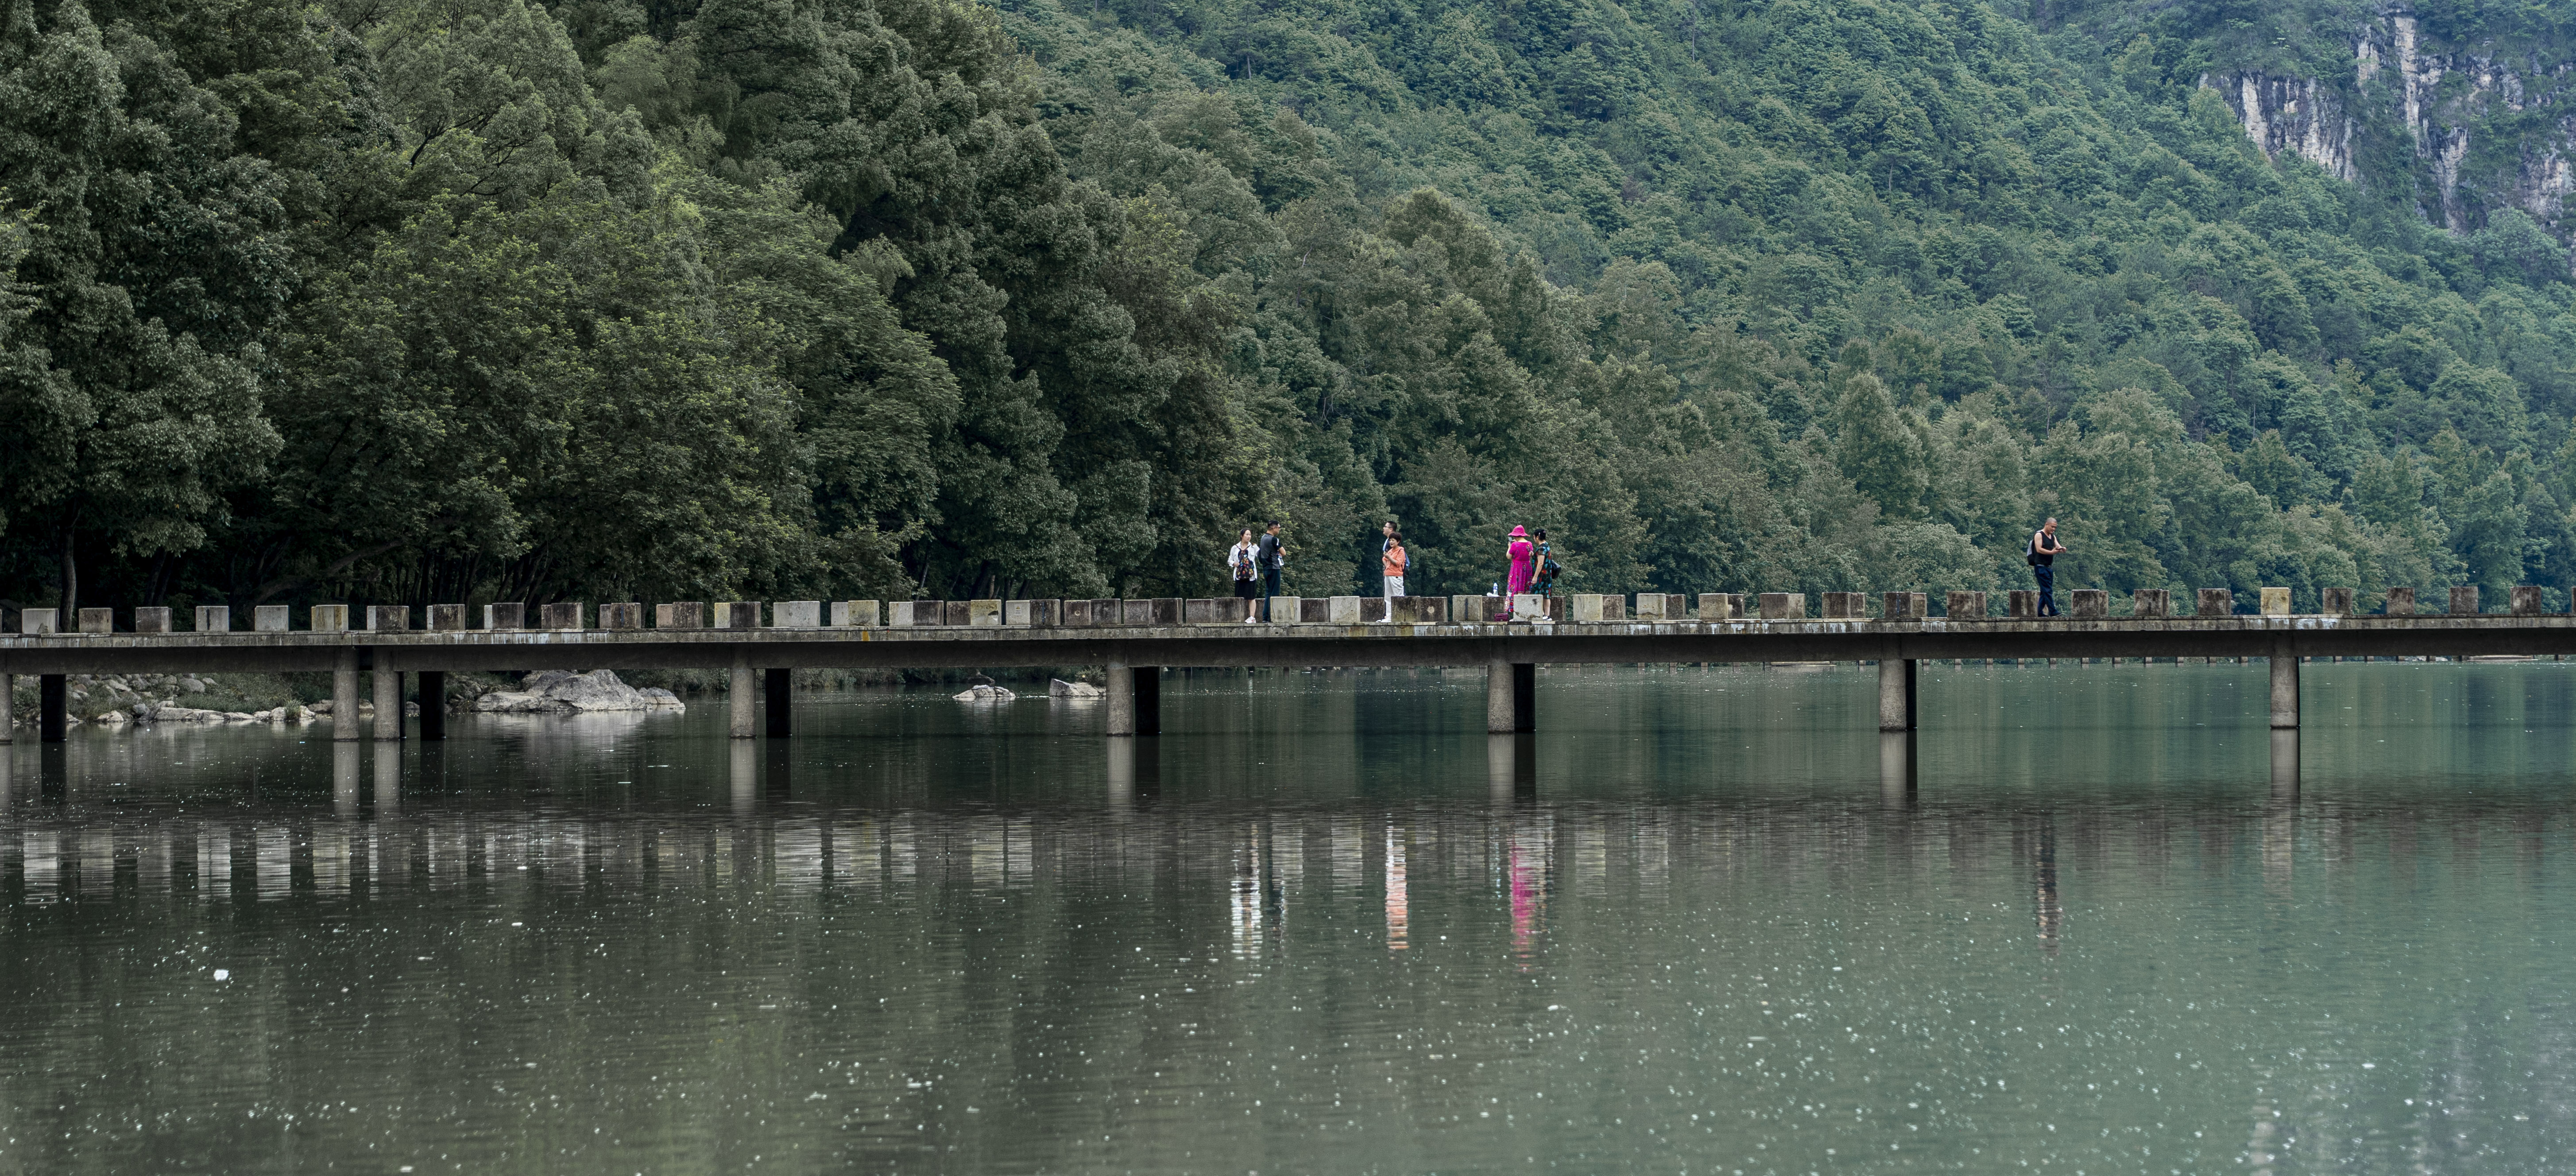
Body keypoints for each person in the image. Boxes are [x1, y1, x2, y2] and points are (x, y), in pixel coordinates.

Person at [2028, 517, 2068, 617]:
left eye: (2055, 528)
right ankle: (2053, 611)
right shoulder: (2039, 535)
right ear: (2047, 524)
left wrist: (2062, 549)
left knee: (2044, 590)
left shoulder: (2052, 536)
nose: (2054, 529)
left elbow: (2057, 546)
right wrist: (2051, 553)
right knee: (2048, 590)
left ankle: (2039, 612)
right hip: (2040, 567)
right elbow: (2039, 549)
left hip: (2049, 567)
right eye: (2052, 527)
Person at [1229, 528, 1262, 622]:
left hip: (1250, 575)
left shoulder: (1254, 547)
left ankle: (1252, 618)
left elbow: (1261, 556)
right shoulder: (1235, 548)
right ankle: (1238, 617)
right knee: (1239, 597)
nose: (1249, 536)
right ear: (1242, 536)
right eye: (1247, 535)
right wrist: (1233, 563)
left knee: (1251, 597)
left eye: (1250, 535)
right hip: (1239, 575)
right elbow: (1230, 560)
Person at [1504, 525, 1535, 619]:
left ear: (1516, 536)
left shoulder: (1514, 545)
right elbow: (1531, 554)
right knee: (1525, 589)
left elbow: (1509, 557)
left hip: (1517, 569)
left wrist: (1509, 547)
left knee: (1515, 589)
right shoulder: (1529, 544)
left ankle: (1516, 614)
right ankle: (1525, 613)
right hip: (1527, 569)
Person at [1257, 521, 1284, 621]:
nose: (1280, 529)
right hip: (1274, 568)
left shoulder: (1263, 538)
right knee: (1275, 593)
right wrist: (1278, 551)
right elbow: (1284, 553)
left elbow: (1260, 553)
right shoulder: (1274, 539)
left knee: (1268, 593)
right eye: (1279, 527)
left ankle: (1265, 617)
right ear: (1274, 528)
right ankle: (1271, 618)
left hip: (1266, 568)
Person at [1379, 530, 1408, 620]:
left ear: (1398, 542)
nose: (1391, 542)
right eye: (1390, 540)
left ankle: (1400, 616)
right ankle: (1389, 617)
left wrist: (1389, 558)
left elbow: (1398, 563)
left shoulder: (1401, 551)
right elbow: (1384, 559)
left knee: (1398, 596)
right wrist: (1387, 565)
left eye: (1393, 541)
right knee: (1388, 597)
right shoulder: (1390, 551)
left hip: (1396, 576)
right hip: (1388, 575)